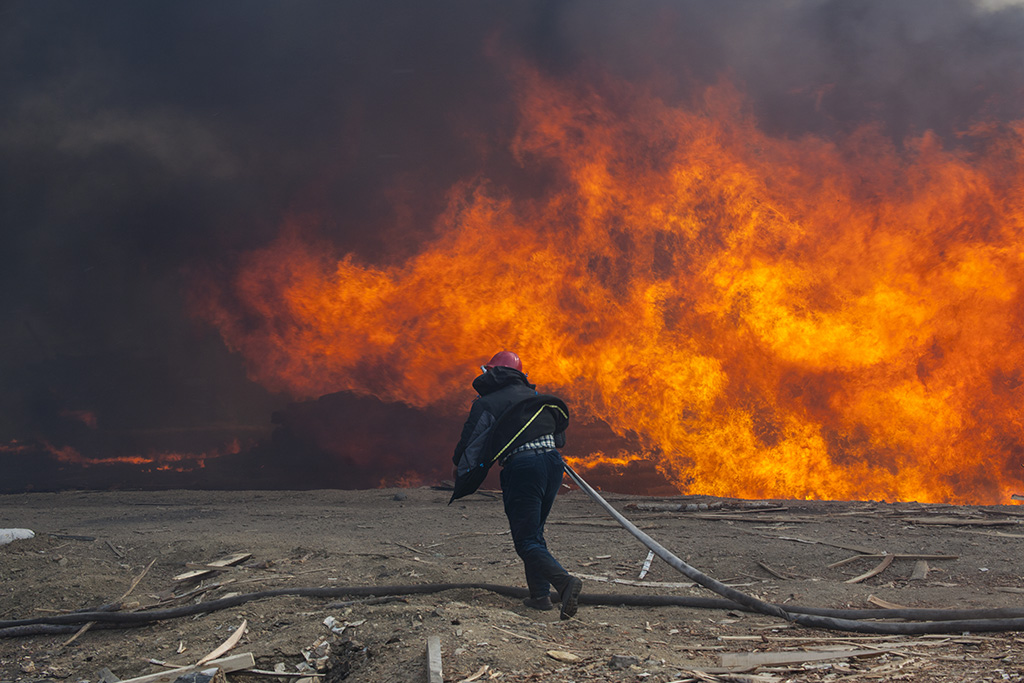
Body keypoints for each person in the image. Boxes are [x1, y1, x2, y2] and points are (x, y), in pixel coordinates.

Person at [451, 351, 583, 619]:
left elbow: (471, 443)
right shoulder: (536, 399)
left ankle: (564, 582)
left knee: (525, 541)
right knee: (534, 533)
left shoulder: (486, 403)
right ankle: (540, 596)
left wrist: (461, 469)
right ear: (521, 376)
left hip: (523, 468)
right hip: (553, 465)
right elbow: (560, 440)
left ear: (491, 373)